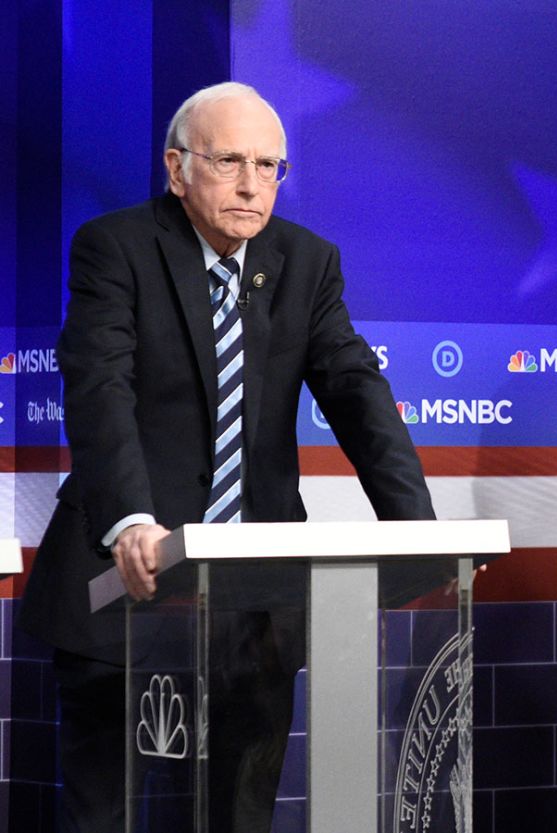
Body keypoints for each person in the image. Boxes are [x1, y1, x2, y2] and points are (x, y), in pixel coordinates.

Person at [19, 82, 435, 833]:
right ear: (177, 169)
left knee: (240, 817)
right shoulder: (116, 249)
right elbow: (100, 386)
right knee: (102, 816)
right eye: (230, 161)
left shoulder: (306, 263)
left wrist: (421, 528)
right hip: (124, 584)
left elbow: (357, 391)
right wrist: (132, 520)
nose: (252, 184)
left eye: (270, 165)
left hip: (255, 608)